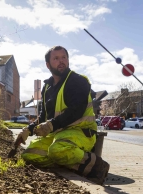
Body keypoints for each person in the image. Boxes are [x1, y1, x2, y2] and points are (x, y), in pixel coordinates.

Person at [14, 45, 110, 185]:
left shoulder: (78, 81)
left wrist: (51, 125)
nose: (61, 61)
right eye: (56, 58)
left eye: (64, 57)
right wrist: (28, 130)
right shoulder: (47, 87)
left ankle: (96, 166)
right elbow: (44, 115)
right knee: (30, 154)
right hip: (58, 134)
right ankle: (69, 162)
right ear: (48, 64)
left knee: (57, 150)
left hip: (81, 133)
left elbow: (76, 111)